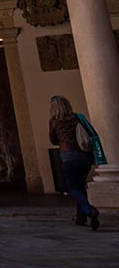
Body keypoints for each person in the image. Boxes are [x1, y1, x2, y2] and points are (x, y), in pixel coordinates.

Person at [49, 95, 100, 229]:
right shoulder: (78, 117)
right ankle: (81, 218)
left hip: (68, 157)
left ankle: (89, 210)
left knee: (73, 188)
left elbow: (53, 140)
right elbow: (91, 133)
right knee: (80, 186)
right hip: (85, 156)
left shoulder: (54, 122)